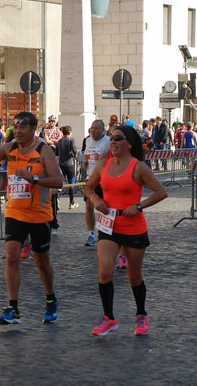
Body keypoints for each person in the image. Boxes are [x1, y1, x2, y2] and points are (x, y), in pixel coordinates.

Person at [0, 111, 63, 325]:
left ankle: (50, 298)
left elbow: (58, 180)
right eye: (16, 127)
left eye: (24, 128)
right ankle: (13, 307)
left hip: (39, 215)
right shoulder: (10, 148)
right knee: (12, 256)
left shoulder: (43, 151)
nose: (19, 131)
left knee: (42, 263)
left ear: (33, 129)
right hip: (15, 211)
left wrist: (34, 178)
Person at [83, 125, 167, 337]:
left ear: (129, 143)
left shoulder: (138, 167)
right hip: (108, 226)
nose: (113, 142)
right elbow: (88, 187)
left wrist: (139, 206)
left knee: (134, 277)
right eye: (111, 138)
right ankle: (109, 318)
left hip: (133, 227)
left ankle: (141, 314)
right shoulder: (103, 164)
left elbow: (161, 192)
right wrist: (95, 199)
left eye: (118, 138)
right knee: (104, 273)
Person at [83, 119, 110, 247]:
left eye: (96, 128)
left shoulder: (108, 141)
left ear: (103, 130)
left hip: (105, 178)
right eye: (92, 128)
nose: (93, 131)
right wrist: (84, 162)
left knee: (105, 207)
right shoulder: (87, 140)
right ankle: (91, 234)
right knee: (89, 205)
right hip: (90, 178)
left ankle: (107, 233)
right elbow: (85, 154)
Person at [56, 125, 78, 209]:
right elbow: (74, 149)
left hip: (61, 165)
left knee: (61, 183)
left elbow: (57, 154)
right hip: (69, 164)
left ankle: (58, 199)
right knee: (71, 183)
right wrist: (74, 154)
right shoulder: (71, 140)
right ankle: (71, 203)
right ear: (70, 132)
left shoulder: (59, 142)